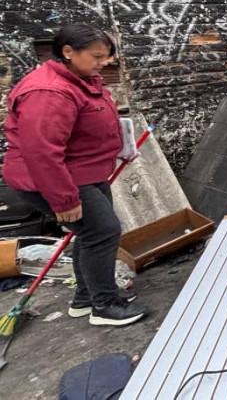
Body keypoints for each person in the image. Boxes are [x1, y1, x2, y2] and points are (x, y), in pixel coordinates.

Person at [3, 23, 147, 327]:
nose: (103, 63)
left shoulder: (82, 79)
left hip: (85, 170)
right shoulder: (47, 92)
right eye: (96, 56)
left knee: (90, 233)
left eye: (106, 56)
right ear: (68, 52)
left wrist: (121, 144)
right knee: (103, 231)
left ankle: (86, 298)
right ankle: (104, 306)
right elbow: (41, 152)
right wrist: (64, 199)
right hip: (58, 178)